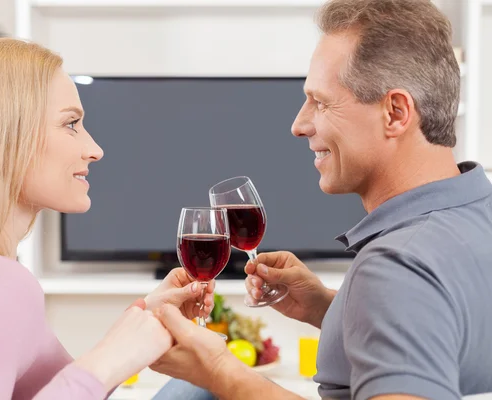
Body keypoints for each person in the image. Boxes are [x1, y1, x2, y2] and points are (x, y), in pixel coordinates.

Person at [151, 0, 492, 399]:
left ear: (396, 113)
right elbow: (447, 332)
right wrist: (329, 310)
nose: (299, 124)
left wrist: (217, 370)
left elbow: (405, 292)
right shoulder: (474, 216)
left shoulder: (398, 266)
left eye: (321, 101)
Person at [0, 37, 216, 400]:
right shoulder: (0, 285)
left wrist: (139, 329)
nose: (95, 150)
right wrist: (108, 359)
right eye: (70, 124)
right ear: (5, 138)